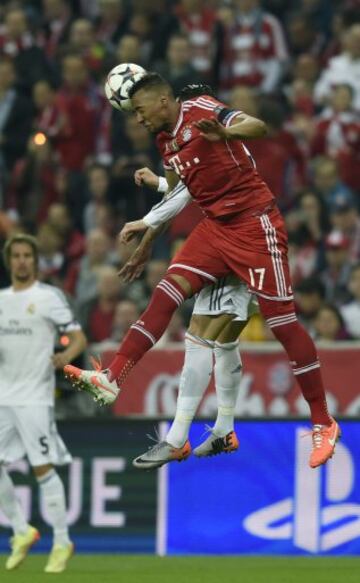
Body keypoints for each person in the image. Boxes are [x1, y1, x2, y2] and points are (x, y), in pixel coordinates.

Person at [65, 73, 340, 469]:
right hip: (215, 228)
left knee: (280, 324)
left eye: (140, 111)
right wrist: (146, 239)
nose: (138, 121)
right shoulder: (164, 140)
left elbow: (256, 126)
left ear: (162, 102)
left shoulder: (201, 109)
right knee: (167, 294)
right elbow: (184, 190)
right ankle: (113, 377)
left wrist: (226, 134)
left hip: (253, 225)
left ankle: (322, 421)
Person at [0, 233, 87, 573]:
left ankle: (62, 541)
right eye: (16, 256)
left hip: (35, 397)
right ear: (9, 262)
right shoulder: (2, 300)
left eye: (27, 255)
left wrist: (64, 355)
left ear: (35, 261)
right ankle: (22, 530)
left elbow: (78, 336)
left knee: (41, 468)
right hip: (4, 396)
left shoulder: (48, 297)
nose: (22, 261)